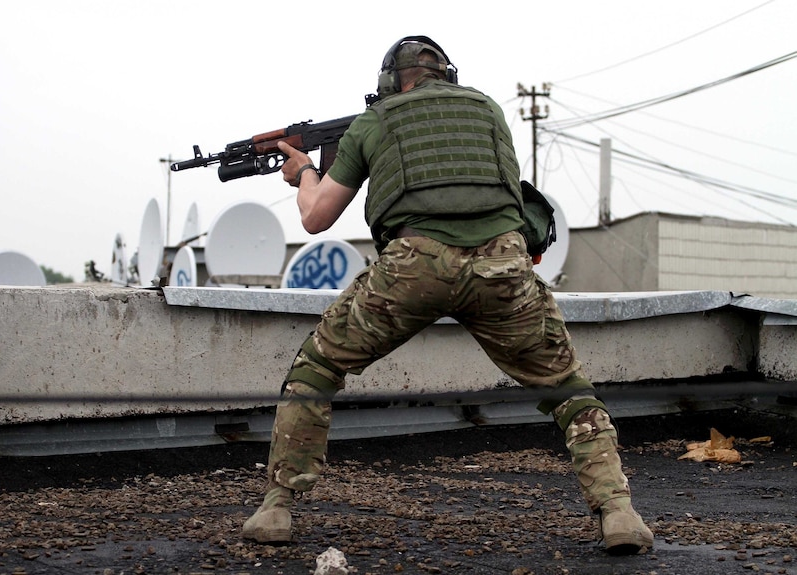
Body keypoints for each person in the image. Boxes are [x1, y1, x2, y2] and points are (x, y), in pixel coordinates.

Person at [242, 35, 654, 555]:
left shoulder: (375, 121)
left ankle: (277, 507)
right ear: (448, 76)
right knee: (569, 389)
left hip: (415, 266)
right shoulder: (489, 109)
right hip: (503, 264)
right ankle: (618, 513)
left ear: (389, 81)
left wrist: (303, 171)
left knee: (317, 368)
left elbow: (316, 216)